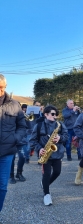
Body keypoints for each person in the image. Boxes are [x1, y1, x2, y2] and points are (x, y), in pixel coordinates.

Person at [29, 105, 68, 206]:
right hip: (45, 153)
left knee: (57, 172)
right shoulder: (38, 125)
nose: (55, 116)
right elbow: (32, 140)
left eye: (56, 114)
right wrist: (39, 148)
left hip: (57, 153)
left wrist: (60, 138)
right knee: (46, 174)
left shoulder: (60, 125)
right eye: (53, 114)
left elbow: (66, 136)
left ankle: (44, 184)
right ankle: (46, 194)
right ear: (45, 114)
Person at [0, 74, 27, 211]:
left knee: (2, 186)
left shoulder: (15, 105)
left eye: (2, 88)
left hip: (7, 152)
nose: (0, 91)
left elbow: (22, 126)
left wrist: (14, 138)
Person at [9, 105, 30, 184]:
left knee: (22, 157)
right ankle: (11, 176)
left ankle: (19, 173)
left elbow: (29, 126)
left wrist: (25, 117)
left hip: (21, 140)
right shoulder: (8, 116)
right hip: (11, 140)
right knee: (12, 158)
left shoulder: (23, 116)